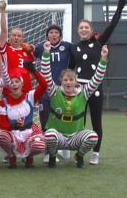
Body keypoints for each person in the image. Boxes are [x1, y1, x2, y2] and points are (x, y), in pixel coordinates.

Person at [71, 0, 127, 165]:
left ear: (91, 29)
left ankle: (95, 153)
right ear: (77, 30)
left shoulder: (99, 42)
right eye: (81, 27)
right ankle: (76, 152)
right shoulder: (74, 47)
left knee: (96, 121)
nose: (83, 29)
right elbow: (69, 69)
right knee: (78, 122)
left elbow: (111, 26)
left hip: (95, 88)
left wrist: (119, 8)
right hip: (79, 90)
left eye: (86, 27)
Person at [42, 42, 109, 168]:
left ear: (75, 81)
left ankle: (79, 155)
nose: (68, 82)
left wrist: (103, 59)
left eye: (71, 80)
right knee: (49, 134)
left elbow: (97, 79)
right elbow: (46, 74)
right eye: (65, 80)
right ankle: (52, 155)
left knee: (93, 137)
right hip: (59, 136)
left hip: (75, 137)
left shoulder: (84, 92)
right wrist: (46, 53)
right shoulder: (54, 91)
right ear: (61, 81)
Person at [34, 25, 75, 162]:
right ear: (47, 35)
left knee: (62, 119)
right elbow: (27, 55)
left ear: (60, 35)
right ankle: (47, 152)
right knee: (45, 120)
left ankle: (64, 148)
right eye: (51, 32)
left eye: (56, 32)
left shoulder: (68, 47)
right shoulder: (41, 47)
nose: (53, 35)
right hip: (44, 90)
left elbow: (79, 54)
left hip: (62, 91)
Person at [0, 61, 47, 169]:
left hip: (29, 131)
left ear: (22, 83)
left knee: (39, 145)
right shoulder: (3, 102)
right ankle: (11, 156)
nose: (14, 84)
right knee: (2, 137)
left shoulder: (30, 97)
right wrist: (14, 126)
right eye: (11, 82)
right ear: (8, 86)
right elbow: (2, 123)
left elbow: (44, 85)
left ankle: (29, 157)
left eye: (17, 81)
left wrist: (34, 71)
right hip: (13, 132)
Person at [0, 1, 35, 94]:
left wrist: (24, 78)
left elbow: (33, 73)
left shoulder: (27, 52)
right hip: (10, 90)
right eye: (14, 35)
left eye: (19, 36)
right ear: (10, 37)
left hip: (26, 91)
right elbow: (3, 30)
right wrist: (2, 11)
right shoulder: (6, 48)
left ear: (22, 39)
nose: (16, 37)